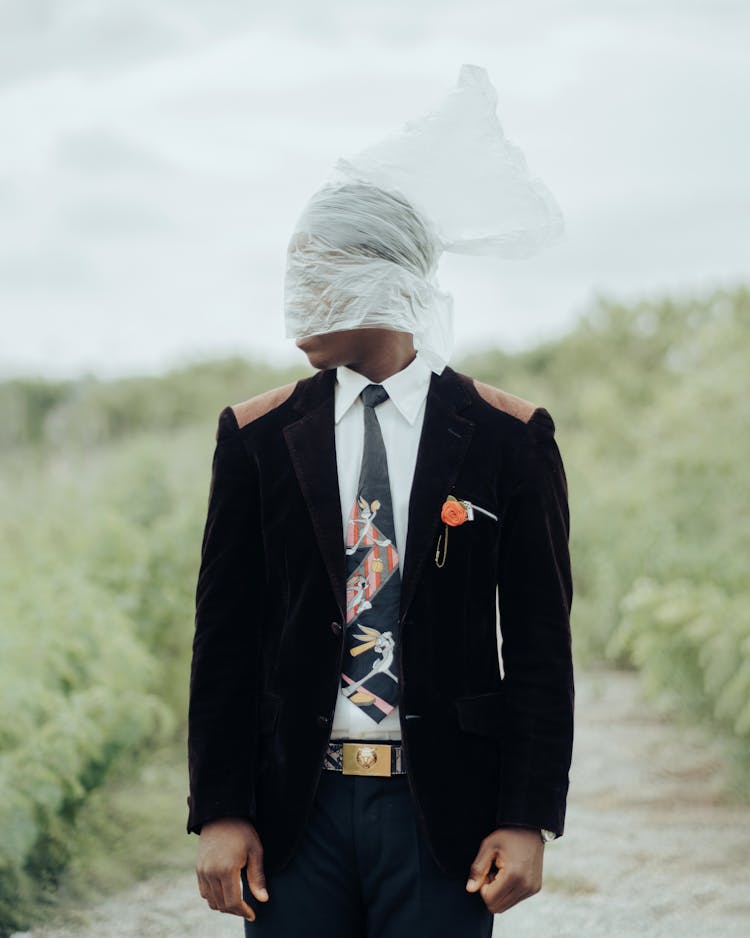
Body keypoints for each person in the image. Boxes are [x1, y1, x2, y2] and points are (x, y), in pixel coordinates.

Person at [186, 65, 573, 937]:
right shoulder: (255, 437)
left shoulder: (508, 436)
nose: (295, 294)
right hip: (295, 815)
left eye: (317, 271)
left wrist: (528, 815)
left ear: (385, 279)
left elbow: (543, 645)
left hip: (444, 818)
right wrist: (220, 807)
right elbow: (226, 636)